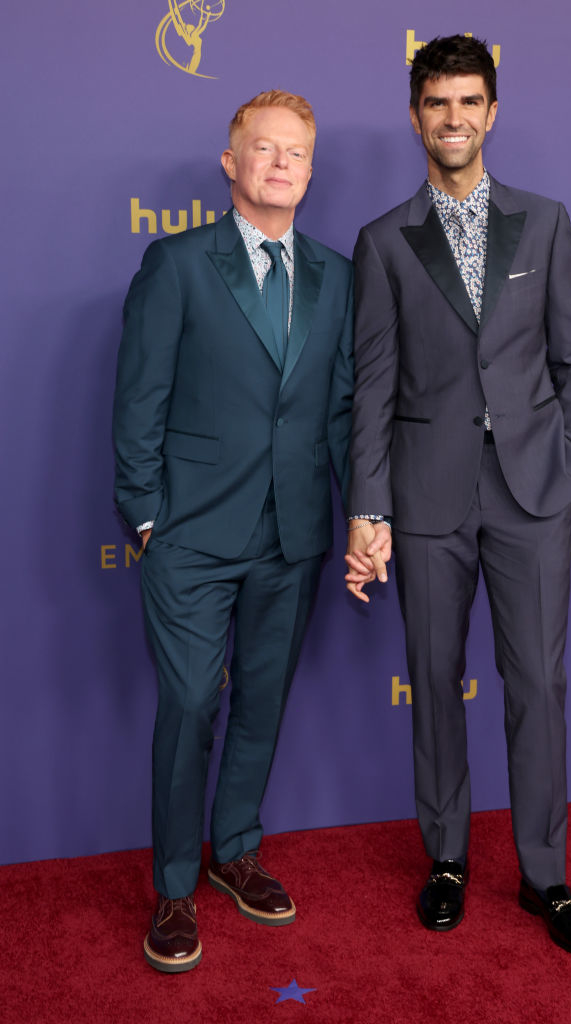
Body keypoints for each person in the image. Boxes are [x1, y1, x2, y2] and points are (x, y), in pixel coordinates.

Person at [345, 35, 571, 958]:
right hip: (425, 496)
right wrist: (368, 505)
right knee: (434, 681)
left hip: (533, 492)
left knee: (537, 684)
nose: (452, 119)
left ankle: (545, 876)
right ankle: (447, 860)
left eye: (467, 102)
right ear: (415, 115)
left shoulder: (545, 222)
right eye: (436, 103)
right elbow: (371, 388)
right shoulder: (383, 241)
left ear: (491, 113)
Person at [113, 90, 353, 972]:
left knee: (263, 697)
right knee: (189, 704)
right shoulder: (177, 263)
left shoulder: (337, 275)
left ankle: (237, 850)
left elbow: (339, 410)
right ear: (231, 162)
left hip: (294, 531)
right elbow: (139, 397)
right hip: (190, 535)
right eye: (264, 148)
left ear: (310, 172)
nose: (280, 164)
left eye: (296, 152)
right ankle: (175, 886)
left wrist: (363, 513)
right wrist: (147, 516)